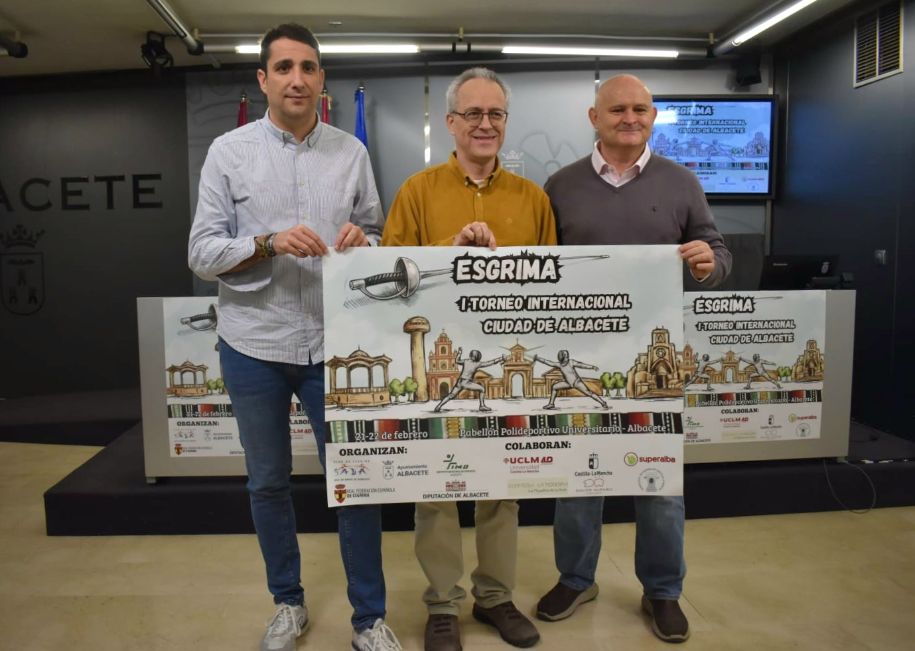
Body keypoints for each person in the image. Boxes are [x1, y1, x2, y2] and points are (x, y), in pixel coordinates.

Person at [188, 23, 401, 651]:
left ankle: (369, 619)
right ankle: (288, 603)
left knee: (355, 480)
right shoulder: (228, 152)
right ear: (263, 80)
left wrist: (366, 240)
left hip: (335, 345)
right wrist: (268, 242)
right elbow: (201, 253)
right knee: (268, 483)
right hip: (253, 342)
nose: (297, 79)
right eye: (283, 68)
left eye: (308, 67)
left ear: (322, 79)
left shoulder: (351, 152)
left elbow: (377, 233)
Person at [534, 74, 732, 644]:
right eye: (617, 109)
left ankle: (663, 590)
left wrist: (707, 264)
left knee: (660, 485)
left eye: (641, 109)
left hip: (655, 361)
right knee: (579, 480)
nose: (630, 118)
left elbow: (717, 252)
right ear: (594, 117)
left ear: (653, 117)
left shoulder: (682, 182)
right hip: (585, 358)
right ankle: (576, 579)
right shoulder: (560, 185)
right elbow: (540, 263)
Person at [382, 67, 556, 651]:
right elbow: (392, 275)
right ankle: (442, 604)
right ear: (451, 122)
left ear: (506, 122)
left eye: (496, 114)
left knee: (502, 487)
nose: (485, 124)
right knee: (435, 489)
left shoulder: (533, 198)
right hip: (438, 366)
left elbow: (552, 283)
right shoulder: (416, 191)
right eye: (473, 114)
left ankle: (495, 597)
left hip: (502, 368)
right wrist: (447, 252)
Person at [434, 348, 505, 413]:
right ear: (477, 356)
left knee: (451, 395)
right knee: (482, 389)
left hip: (459, 382)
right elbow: (490, 362)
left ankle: (438, 406)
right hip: (466, 382)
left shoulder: (466, 361)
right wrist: (501, 358)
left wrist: (459, 353)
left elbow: (457, 361)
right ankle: (482, 406)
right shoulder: (477, 363)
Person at [532, 350, 608, 410]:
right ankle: (551, 404)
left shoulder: (571, 362)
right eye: (565, 356)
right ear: (562, 357)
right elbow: (548, 362)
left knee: (589, 393)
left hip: (577, 382)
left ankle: (603, 402)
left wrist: (592, 367)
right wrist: (538, 358)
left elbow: (581, 365)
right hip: (568, 383)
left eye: (567, 356)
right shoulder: (559, 365)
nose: (567, 358)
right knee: (554, 387)